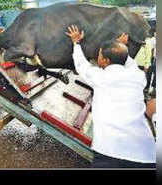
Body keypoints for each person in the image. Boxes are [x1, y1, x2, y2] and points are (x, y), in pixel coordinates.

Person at [65, 25, 156, 168]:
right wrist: (120, 46)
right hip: (146, 154)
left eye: (100, 55)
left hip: (111, 151)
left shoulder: (100, 76)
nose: (98, 58)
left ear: (106, 60)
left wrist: (76, 43)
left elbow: (81, 65)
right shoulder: (138, 76)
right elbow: (127, 61)